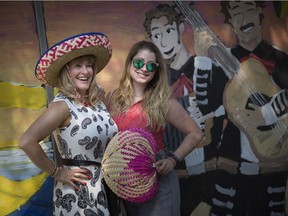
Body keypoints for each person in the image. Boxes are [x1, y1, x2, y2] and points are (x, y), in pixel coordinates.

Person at [196, 1, 288, 215]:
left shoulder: (280, 60)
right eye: (236, 13)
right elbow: (205, 104)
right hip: (232, 167)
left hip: (274, 163)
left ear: (259, 13)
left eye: (249, 9)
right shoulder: (224, 60)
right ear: (231, 23)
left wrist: (266, 114)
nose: (244, 18)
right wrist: (201, 57)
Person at [18, 32, 117, 216]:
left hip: (104, 187)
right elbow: (26, 141)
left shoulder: (98, 100)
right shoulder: (62, 106)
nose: (85, 71)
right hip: (78, 192)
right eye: (77, 66)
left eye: (89, 65)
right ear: (66, 71)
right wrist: (57, 172)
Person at [143, 3, 227, 215]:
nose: (164, 41)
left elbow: (216, 119)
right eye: (156, 35)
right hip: (171, 182)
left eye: (169, 31)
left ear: (181, 29)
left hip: (209, 179)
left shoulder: (210, 71)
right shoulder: (154, 84)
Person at [106, 40, 203, 216]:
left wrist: (173, 159)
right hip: (126, 182)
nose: (144, 69)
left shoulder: (164, 102)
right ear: (129, 64)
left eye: (151, 66)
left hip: (157, 179)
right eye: (138, 63)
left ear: (157, 70)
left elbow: (195, 134)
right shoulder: (113, 98)